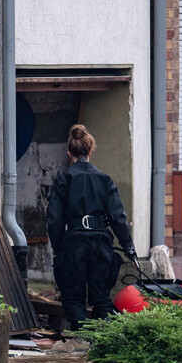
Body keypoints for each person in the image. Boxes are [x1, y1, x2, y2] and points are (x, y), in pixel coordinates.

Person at [47, 124, 136, 331]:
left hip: (74, 243)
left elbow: (54, 219)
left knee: (74, 298)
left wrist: (60, 249)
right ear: (90, 151)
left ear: (69, 153)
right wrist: (128, 246)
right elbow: (117, 217)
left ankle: (79, 339)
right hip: (100, 244)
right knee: (101, 299)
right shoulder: (104, 180)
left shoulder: (63, 179)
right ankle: (100, 344)